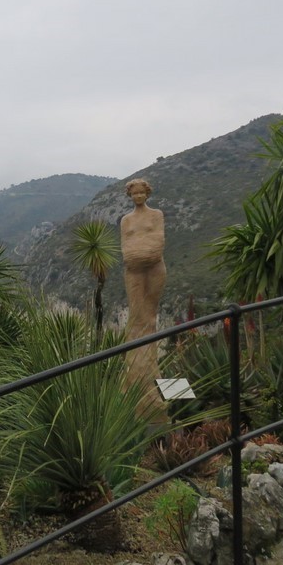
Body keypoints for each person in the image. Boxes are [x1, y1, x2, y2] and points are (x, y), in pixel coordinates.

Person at [120, 178, 168, 422]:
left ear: (147, 193)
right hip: (134, 271)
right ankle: (136, 379)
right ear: (130, 196)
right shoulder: (126, 220)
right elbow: (126, 248)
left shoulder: (156, 215)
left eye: (142, 193)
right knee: (136, 319)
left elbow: (157, 243)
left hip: (154, 268)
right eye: (134, 193)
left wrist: (141, 253)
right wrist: (138, 253)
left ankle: (147, 376)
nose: (138, 197)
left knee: (149, 318)